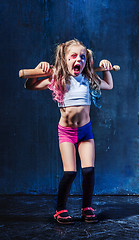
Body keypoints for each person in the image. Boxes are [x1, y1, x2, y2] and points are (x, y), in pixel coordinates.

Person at [25, 39, 113, 224]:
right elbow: (30, 85)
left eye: (82, 57)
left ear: (86, 60)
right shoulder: (57, 79)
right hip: (66, 133)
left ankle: (87, 207)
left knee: (88, 170)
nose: (78, 60)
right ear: (63, 60)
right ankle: (60, 209)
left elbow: (108, 85)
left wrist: (106, 67)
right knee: (70, 172)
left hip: (85, 132)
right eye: (73, 56)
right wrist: (37, 70)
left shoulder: (88, 78)